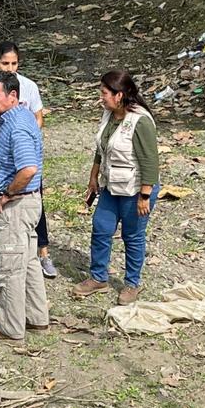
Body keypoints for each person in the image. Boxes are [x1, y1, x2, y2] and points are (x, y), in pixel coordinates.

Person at [0, 42, 57, 279]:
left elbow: (38, 119)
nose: (10, 68)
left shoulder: (27, 87)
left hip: (19, 148)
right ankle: (15, 249)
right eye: (5, 63)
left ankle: (41, 253)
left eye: (14, 63)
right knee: (5, 203)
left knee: (29, 197)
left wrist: (26, 141)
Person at [72, 70, 160, 305]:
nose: (101, 98)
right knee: (101, 228)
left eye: (104, 93)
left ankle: (132, 283)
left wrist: (145, 195)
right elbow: (101, 149)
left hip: (135, 189)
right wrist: (93, 177)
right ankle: (98, 277)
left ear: (119, 95)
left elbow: (150, 161)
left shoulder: (140, 121)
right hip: (111, 185)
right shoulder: (109, 115)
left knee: (133, 236)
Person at [0, 70, 49, 341]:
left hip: (18, 205)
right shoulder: (22, 115)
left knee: (10, 267)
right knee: (29, 260)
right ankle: (36, 317)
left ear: (12, 95)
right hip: (30, 203)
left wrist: (8, 193)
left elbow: (28, 168)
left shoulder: (17, 126)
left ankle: (10, 327)